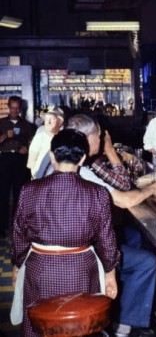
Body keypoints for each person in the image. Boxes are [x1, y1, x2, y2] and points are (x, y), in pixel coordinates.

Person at [10, 129, 121, 337]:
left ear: (52, 156)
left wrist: (17, 267)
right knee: (79, 324)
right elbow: (107, 241)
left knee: (40, 324)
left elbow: (19, 236)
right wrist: (110, 274)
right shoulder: (98, 193)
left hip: (39, 268)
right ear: (82, 159)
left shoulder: (29, 190)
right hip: (82, 269)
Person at [65, 114, 156, 337]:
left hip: (63, 248)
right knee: (147, 261)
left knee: (132, 238)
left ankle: (118, 308)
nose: (102, 140)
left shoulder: (66, 166)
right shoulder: (83, 172)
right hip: (83, 252)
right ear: (90, 138)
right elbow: (123, 198)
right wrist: (152, 189)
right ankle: (123, 325)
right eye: (100, 136)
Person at [0, 96, 35, 239]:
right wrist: (4, 136)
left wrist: (26, 148)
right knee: (2, 194)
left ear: (20, 108)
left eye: (17, 107)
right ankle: (1, 227)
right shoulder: (1, 123)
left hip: (20, 161)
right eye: (12, 107)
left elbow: (32, 142)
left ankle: (18, 228)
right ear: (8, 107)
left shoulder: (27, 125)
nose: (15, 110)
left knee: (19, 195)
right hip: (4, 159)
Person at [26, 106, 64, 179]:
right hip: (41, 180)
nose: (48, 122)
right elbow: (30, 164)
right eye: (46, 119)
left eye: (52, 119)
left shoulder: (64, 138)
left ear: (60, 122)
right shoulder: (39, 138)